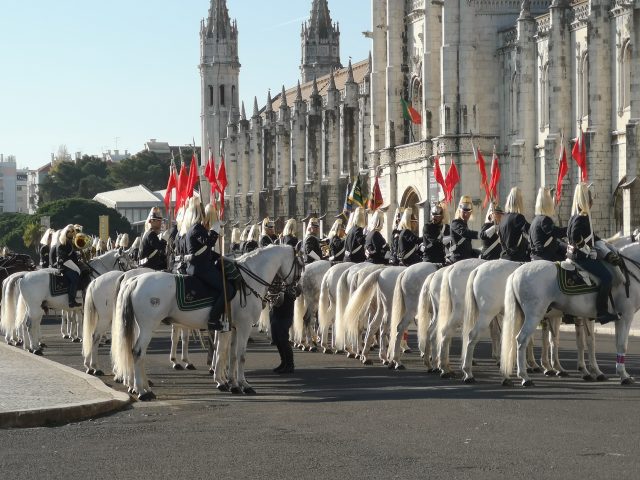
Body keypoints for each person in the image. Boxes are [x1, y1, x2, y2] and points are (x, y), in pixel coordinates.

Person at [567, 183, 620, 325]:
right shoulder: (582, 217)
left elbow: (592, 237)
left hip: (573, 256)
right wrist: (587, 250)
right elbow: (575, 236)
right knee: (607, 277)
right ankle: (602, 312)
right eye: (590, 200)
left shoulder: (575, 216)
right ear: (587, 201)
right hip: (581, 258)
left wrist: (607, 251)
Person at [184, 198, 235, 331]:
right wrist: (215, 228)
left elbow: (205, 252)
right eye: (203, 213)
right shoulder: (197, 228)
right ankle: (213, 319)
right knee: (228, 289)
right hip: (202, 269)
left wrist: (224, 259)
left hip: (199, 267)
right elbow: (208, 242)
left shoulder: (193, 228)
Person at [270, 283, 301, 374]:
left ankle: (290, 365)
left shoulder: (292, 280)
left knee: (283, 339)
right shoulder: (276, 278)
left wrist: (286, 289)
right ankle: (284, 362)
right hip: (275, 312)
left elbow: (298, 291)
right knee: (276, 339)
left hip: (285, 314)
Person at [530, 187, 567, 261]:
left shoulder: (535, 219)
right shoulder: (544, 219)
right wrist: (569, 229)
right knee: (569, 266)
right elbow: (557, 233)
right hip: (546, 257)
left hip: (535, 256)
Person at [498, 187, 530, 262]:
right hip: (517, 258)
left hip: (504, 257)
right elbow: (531, 231)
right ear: (519, 201)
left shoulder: (503, 218)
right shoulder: (518, 217)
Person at [55, 224, 82, 308]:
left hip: (70, 263)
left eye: (73, 231)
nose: (72, 233)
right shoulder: (62, 242)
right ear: (66, 232)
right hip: (64, 265)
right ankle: (71, 300)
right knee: (75, 278)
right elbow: (63, 257)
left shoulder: (70, 241)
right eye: (70, 231)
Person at [447, 196, 479, 264]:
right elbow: (465, 233)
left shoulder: (465, 224)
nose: (466, 214)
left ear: (470, 213)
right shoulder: (455, 223)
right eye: (464, 212)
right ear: (459, 211)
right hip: (457, 258)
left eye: (468, 212)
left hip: (466, 257)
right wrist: (480, 234)